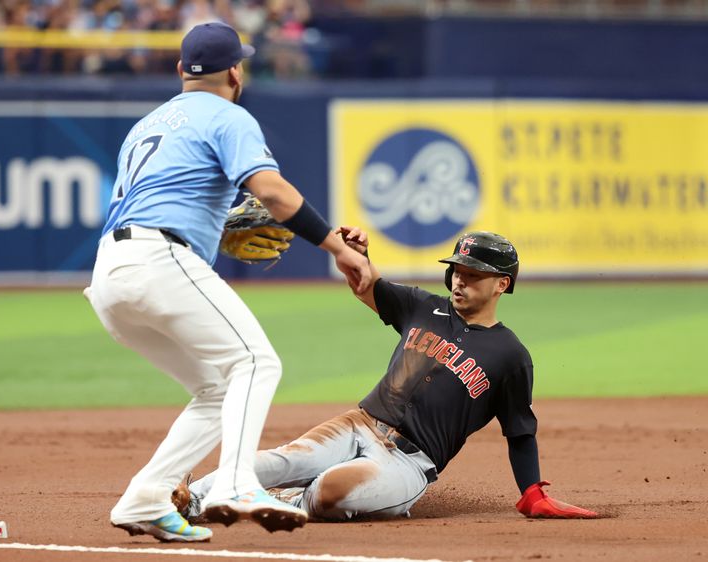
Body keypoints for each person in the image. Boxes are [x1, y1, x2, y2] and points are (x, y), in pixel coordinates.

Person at [84, 22, 371, 543]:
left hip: (110, 274)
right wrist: (336, 246)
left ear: (180, 71)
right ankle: (236, 484)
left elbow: (166, 202)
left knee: (217, 391)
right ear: (237, 71)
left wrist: (218, 231)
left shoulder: (147, 124)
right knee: (257, 362)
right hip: (160, 261)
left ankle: (146, 497)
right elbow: (273, 194)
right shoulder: (229, 115)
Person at [186, 228, 598, 521]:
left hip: (409, 463)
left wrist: (531, 493)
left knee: (333, 492)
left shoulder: (510, 355)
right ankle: (189, 499)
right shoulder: (422, 306)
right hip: (357, 424)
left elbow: (520, 431)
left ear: (501, 285)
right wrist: (356, 256)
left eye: (473, 275)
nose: (460, 280)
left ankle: (275, 502)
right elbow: (366, 285)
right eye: (457, 270)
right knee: (276, 461)